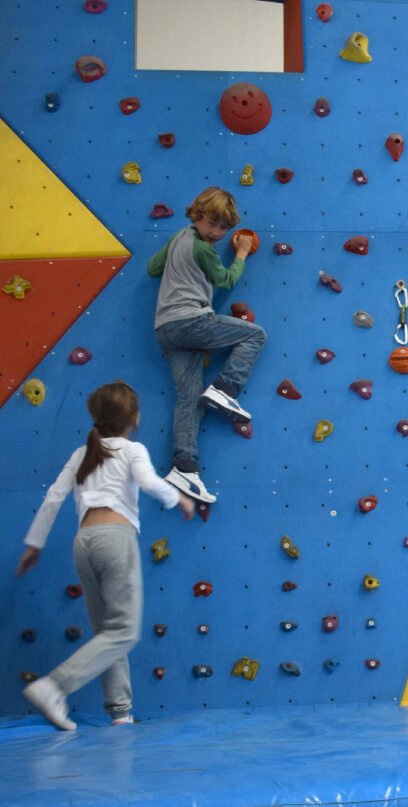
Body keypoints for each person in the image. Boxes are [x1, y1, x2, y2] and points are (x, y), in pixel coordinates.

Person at [15, 381, 194, 730]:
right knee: (124, 632)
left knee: (107, 635)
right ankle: (54, 686)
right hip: (115, 538)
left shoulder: (82, 453)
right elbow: (149, 482)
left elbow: (53, 497)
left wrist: (35, 544)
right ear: (134, 418)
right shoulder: (133, 450)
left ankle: (120, 713)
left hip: (84, 542)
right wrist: (180, 499)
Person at [148, 186, 266, 503]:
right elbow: (225, 281)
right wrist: (240, 252)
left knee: (189, 399)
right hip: (191, 321)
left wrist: (180, 268)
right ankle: (225, 388)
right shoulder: (204, 249)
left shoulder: (179, 238)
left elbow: (153, 269)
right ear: (197, 216)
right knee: (255, 335)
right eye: (211, 223)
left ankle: (184, 468)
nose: (216, 232)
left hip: (166, 329)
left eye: (223, 228)